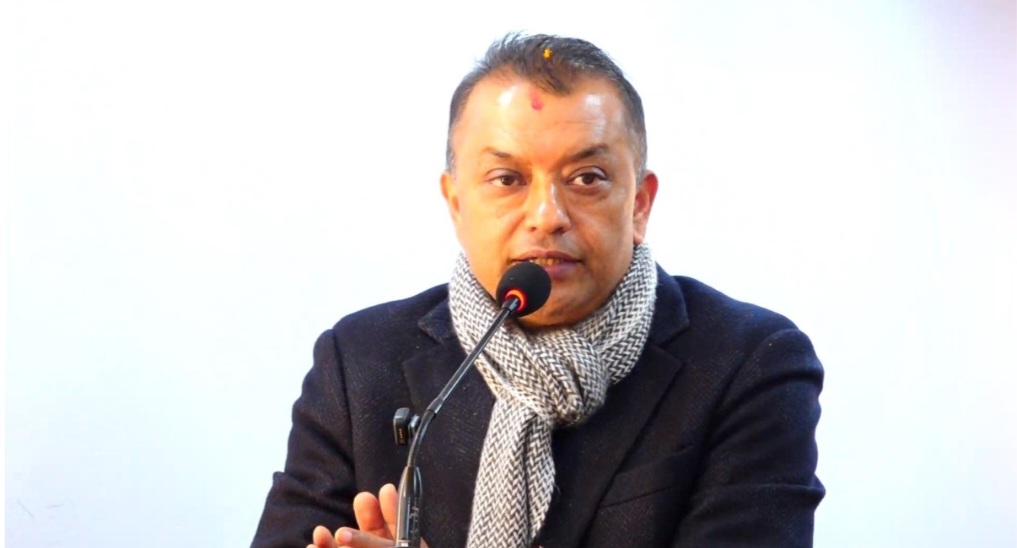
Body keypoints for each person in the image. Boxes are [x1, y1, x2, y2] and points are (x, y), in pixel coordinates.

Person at [251, 33, 825, 548]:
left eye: (587, 178)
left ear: (639, 204)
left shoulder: (749, 362)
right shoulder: (359, 361)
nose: (547, 216)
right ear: (457, 204)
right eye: (507, 179)